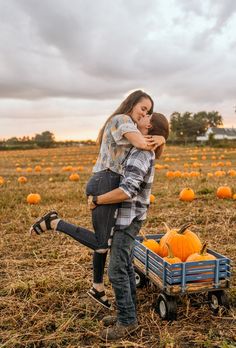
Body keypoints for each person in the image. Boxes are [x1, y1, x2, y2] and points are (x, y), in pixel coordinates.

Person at [30, 112, 169, 341]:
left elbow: (128, 190)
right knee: (123, 266)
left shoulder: (142, 154)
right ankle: (128, 313)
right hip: (129, 217)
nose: (144, 115)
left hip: (128, 219)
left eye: (148, 115)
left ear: (149, 126)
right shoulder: (139, 147)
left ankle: (127, 321)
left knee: (116, 270)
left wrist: (98, 200)